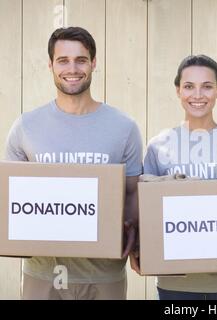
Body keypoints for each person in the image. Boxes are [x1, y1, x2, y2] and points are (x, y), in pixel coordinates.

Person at [5, 27, 143, 300]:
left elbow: (133, 194)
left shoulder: (123, 127)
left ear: (94, 63)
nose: (72, 68)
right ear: (50, 65)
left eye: (81, 60)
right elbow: (10, 199)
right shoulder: (26, 126)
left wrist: (139, 242)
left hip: (105, 276)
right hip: (42, 274)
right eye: (63, 60)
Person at [130, 54, 217, 300]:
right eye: (189, 86)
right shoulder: (159, 145)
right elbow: (145, 211)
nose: (198, 95)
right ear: (178, 90)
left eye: (207, 86)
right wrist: (137, 248)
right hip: (176, 283)